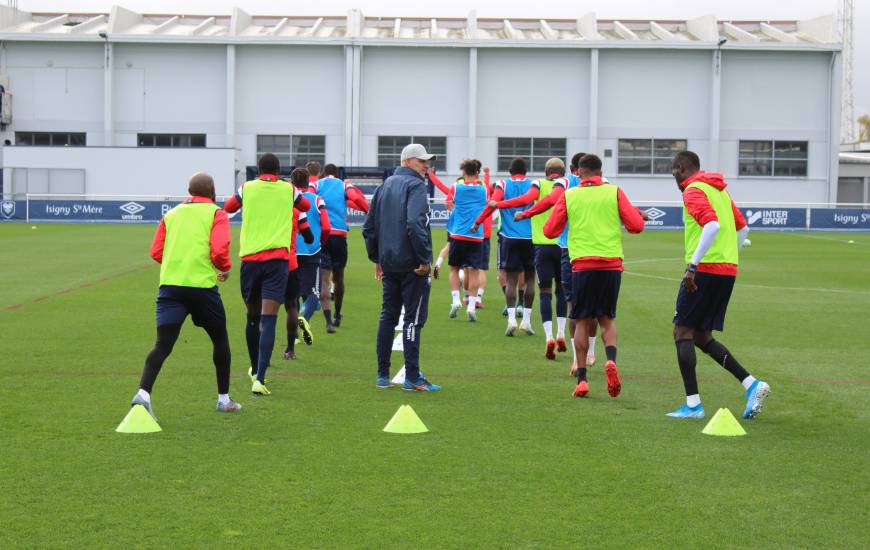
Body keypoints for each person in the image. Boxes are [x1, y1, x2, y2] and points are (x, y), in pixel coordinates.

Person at [667, 150, 770, 419]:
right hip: (726, 270)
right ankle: (752, 384)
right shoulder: (720, 191)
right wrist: (730, 256)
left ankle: (693, 406)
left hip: (705, 271)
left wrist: (693, 266)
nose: (674, 177)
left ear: (681, 167)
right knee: (701, 336)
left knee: (682, 333)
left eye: (673, 171)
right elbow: (742, 228)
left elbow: (711, 225)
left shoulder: (693, 190)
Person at [130, 172, 240, 418]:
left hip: (171, 288)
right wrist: (224, 269)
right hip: (202, 288)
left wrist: (177, 262)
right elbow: (220, 249)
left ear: (189, 191)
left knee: (162, 344)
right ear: (212, 192)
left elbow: (156, 252)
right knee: (220, 339)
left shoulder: (171, 214)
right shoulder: (216, 213)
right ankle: (223, 399)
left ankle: (143, 394)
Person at [543, 154, 646, 398]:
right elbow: (636, 226)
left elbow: (549, 231)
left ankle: (582, 379)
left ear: (578, 172)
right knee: (607, 319)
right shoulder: (615, 192)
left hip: (582, 265)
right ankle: (610, 360)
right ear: (601, 172)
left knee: (582, 319)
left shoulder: (570, 195)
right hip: (611, 265)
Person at [226, 153, 310, 396]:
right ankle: (260, 379)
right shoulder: (289, 190)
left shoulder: (247, 187)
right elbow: (304, 205)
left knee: (252, 317)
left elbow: (229, 207)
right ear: (279, 169)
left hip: (250, 261)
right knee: (269, 319)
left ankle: (253, 368)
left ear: (258, 170)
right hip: (277, 262)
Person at [363, 143, 440, 391]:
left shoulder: (384, 186)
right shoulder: (416, 185)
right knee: (413, 320)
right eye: (421, 161)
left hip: (389, 262)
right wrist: (424, 258)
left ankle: (382, 375)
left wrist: (377, 259)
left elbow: (370, 228)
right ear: (407, 161)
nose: (426, 165)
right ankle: (413, 377)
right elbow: (415, 223)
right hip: (411, 263)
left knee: (388, 317)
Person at [520, 152, 600, 371]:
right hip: (574, 248)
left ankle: (549, 337)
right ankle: (564, 335)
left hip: (546, 244)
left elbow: (532, 200)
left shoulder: (550, 185)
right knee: (565, 296)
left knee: (545, 291)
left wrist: (524, 213)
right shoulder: (594, 187)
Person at [491, 158, 569, 359]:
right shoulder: (569, 185)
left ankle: (542, 334)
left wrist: (505, 207)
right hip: (562, 245)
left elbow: (526, 200)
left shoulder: (538, 184)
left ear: (546, 171)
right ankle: (552, 329)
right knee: (558, 290)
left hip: (538, 243)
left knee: (527, 284)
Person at [472, 157, 536, 336]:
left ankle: (511, 320)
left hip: (508, 237)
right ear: (525, 171)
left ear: (510, 171)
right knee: (530, 279)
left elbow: (492, 204)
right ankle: (527, 321)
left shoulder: (502, 184)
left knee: (510, 280)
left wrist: (478, 222)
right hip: (530, 237)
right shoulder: (533, 184)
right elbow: (529, 201)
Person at [311, 163, 369, 328]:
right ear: (337, 174)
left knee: (324, 278)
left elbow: (306, 200)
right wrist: (369, 211)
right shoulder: (343, 184)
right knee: (339, 277)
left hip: (322, 235)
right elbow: (357, 198)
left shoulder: (316, 185)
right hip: (339, 236)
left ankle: (328, 321)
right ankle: (337, 315)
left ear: (323, 173)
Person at [443, 159, 488, 321]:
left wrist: (453, 207)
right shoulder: (484, 189)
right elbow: (489, 205)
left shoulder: (456, 187)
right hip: (476, 236)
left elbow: (448, 203)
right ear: (477, 173)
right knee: (475, 271)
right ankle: (471, 306)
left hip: (458, 235)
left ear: (463, 172)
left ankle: (455, 301)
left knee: (454, 269)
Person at [281, 169, 315, 360]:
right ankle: (290, 349)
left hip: (263, 262)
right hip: (289, 261)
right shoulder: (297, 210)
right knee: (291, 306)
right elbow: (310, 237)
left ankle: (261, 357)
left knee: (263, 310)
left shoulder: (266, 210)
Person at [295, 175, 333, 334]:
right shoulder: (317, 200)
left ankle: (295, 326)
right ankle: (303, 320)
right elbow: (326, 227)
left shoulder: (289, 200)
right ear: (307, 183)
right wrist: (321, 241)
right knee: (313, 293)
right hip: (312, 251)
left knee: (294, 292)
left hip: (292, 250)